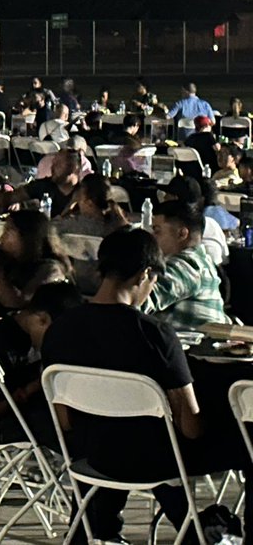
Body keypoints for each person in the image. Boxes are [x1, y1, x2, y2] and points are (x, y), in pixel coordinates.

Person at [41, 226, 253, 543]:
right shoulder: (154, 334)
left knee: (125, 432)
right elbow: (191, 428)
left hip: (95, 456)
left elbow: (64, 420)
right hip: (156, 460)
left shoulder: (60, 329)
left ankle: (102, 530)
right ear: (144, 275)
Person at [0, 281, 82, 447]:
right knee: (74, 431)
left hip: (24, 413)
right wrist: (34, 387)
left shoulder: (25, 336)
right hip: (0, 425)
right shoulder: (1, 342)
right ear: (41, 319)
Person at [147, 200, 228, 330]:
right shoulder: (201, 260)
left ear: (182, 234)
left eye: (157, 231)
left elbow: (146, 297)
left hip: (196, 347)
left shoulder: (189, 265)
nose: (152, 237)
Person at [0, 210, 73, 310]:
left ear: (28, 236)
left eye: (8, 232)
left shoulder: (50, 269)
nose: (2, 238)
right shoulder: (8, 260)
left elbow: (16, 303)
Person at [0, 148, 80, 217]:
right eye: (53, 163)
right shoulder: (44, 185)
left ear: (72, 168)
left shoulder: (84, 194)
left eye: (58, 165)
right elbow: (14, 196)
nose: (52, 168)